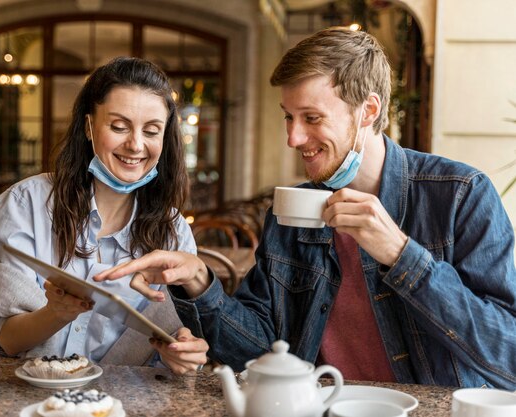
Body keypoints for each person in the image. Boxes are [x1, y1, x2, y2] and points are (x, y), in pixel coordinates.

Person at [95, 28, 516, 389]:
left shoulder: (460, 194)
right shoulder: (291, 211)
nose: (294, 139)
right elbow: (257, 350)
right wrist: (199, 280)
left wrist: (402, 256)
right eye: (288, 117)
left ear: (367, 111)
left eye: (312, 117)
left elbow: (507, 353)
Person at [0, 56, 208, 375]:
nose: (136, 145)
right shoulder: (27, 204)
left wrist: (180, 352)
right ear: (88, 126)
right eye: (119, 126)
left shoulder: (174, 233)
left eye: (152, 131)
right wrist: (56, 313)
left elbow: (175, 341)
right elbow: (9, 341)